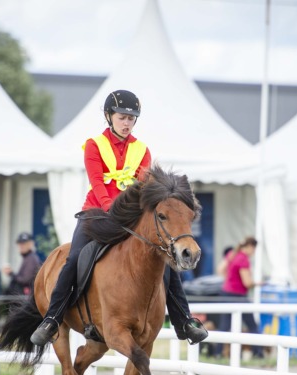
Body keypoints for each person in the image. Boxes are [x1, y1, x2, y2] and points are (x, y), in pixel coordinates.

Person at [30, 89, 208, 347]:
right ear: (109, 116)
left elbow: (143, 188)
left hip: (128, 219)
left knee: (165, 260)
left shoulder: (142, 150)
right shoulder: (94, 145)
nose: (126, 123)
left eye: (131, 119)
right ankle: (52, 319)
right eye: (122, 117)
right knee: (74, 259)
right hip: (96, 214)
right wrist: (110, 208)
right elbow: (97, 182)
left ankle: (185, 321)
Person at [218, 236, 263, 358]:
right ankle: (258, 353)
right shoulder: (244, 259)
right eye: (254, 250)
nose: (253, 252)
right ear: (250, 247)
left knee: (224, 326)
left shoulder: (232, 254)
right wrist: (258, 283)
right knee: (252, 325)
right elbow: (247, 283)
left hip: (226, 293)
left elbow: (220, 269)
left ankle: (217, 353)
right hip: (238, 296)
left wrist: (230, 280)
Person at [3, 232, 42, 296]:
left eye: (24, 243)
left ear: (30, 244)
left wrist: (11, 273)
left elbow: (25, 280)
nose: (21, 246)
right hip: (25, 296)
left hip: (27, 297)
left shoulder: (31, 259)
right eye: (20, 244)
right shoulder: (28, 258)